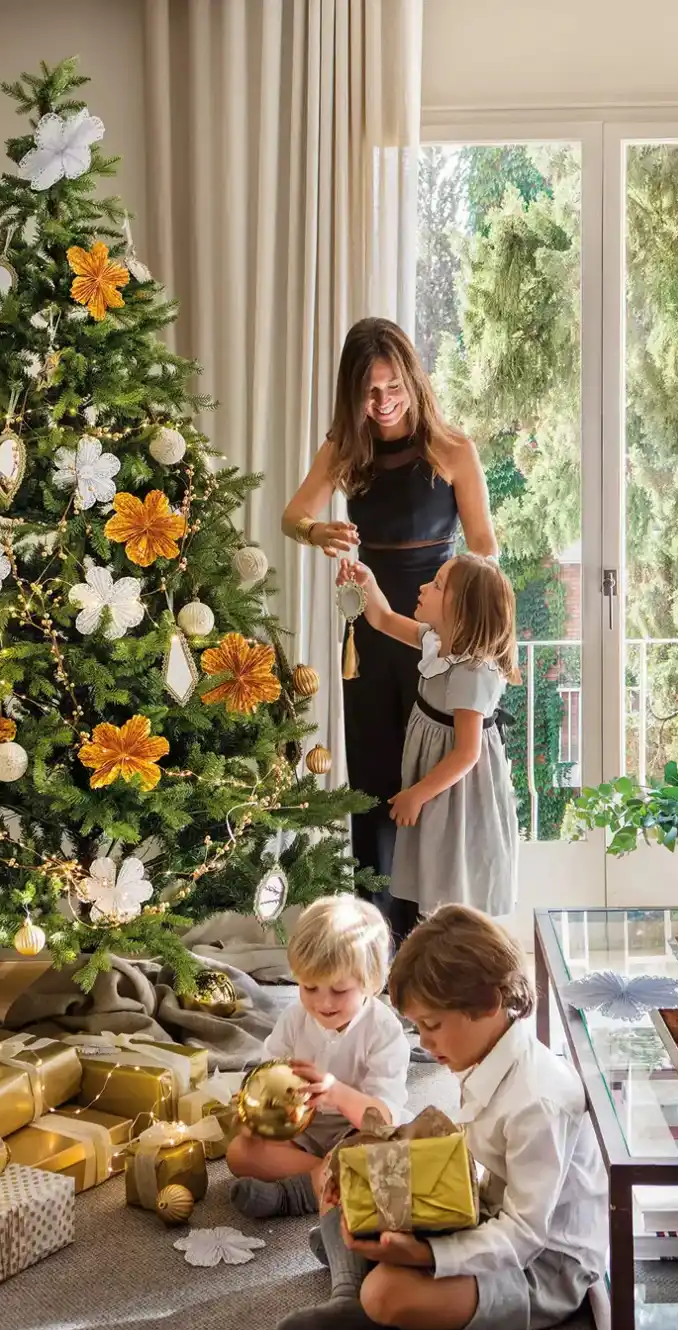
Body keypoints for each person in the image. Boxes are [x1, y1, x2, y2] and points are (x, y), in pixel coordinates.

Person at [277, 907, 608, 1330]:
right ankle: (354, 1285)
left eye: (431, 1026)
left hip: (542, 1266)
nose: (425, 1043)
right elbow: (461, 1156)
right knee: (353, 1188)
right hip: (482, 1214)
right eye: (418, 1027)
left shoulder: (538, 1101)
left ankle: (364, 1297)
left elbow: (525, 1236)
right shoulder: (484, 1052)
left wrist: (427, 1254)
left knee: (386, 1292)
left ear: (488, 1004)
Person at [282, 318, 497, 941]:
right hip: (369, 626)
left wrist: (474, 630)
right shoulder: (347, 450)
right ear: (354, 393)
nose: (382, 403)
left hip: (437, 627)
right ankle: (377, 938)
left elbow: (483, 547)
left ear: (412, 379)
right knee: (375, 776)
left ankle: (437, 935)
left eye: (392, 386)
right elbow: (294, 514)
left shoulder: (453, 448)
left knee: (428, 772)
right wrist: (318, 531)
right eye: (369, 392)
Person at [338, 551, 519, 924]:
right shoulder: (438, 642)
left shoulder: (472, 671)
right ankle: (435, 944)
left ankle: (454, 951)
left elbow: (467, 753)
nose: (423, 587)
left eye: (437, 585)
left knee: (452, 872)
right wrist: (367, 579)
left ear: (462, 609)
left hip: (457, 792)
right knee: (434, 868)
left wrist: (417, 794)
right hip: (437, 778)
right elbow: (383, 619)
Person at [227, 895, 410, 1220]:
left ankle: (294, 1194)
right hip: (302, 1131)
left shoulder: (384, 1030)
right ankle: (327, 1179)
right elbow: (266, 1073)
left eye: (339, 991)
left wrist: (336, 1092)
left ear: (371, 981)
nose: (324, 1003)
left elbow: (383, 1119)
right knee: (240, 1154)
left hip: (357, 1130)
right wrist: (252, 1112)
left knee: (378, 1155)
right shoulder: (294, 1019)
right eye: (310, 988)